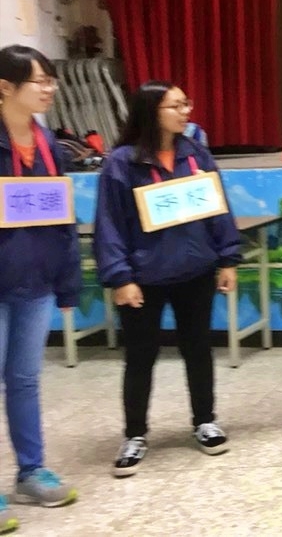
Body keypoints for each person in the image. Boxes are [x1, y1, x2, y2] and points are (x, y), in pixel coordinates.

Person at [94, 81, 241, 476]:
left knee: (199, 348)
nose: (185, 112)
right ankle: (135, 434)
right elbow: (109, 224)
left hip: (195, 270)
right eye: (175, 106)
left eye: (185, 104)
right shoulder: (121, 163)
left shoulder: (196, 154)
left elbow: (218, 208)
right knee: (140, 356)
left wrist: (228, 258)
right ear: (151, 112)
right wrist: (120, 277)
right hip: (143, 278)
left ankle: (205, 421)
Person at [0, 46, 80, 522]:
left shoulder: (49, 143)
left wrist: (67, 282)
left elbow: (62, 216)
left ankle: (31, 472)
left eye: (52, 80)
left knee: (25, 380)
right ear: (5, 87)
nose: (50, 88)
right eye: (40, 81)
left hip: (35, 285)